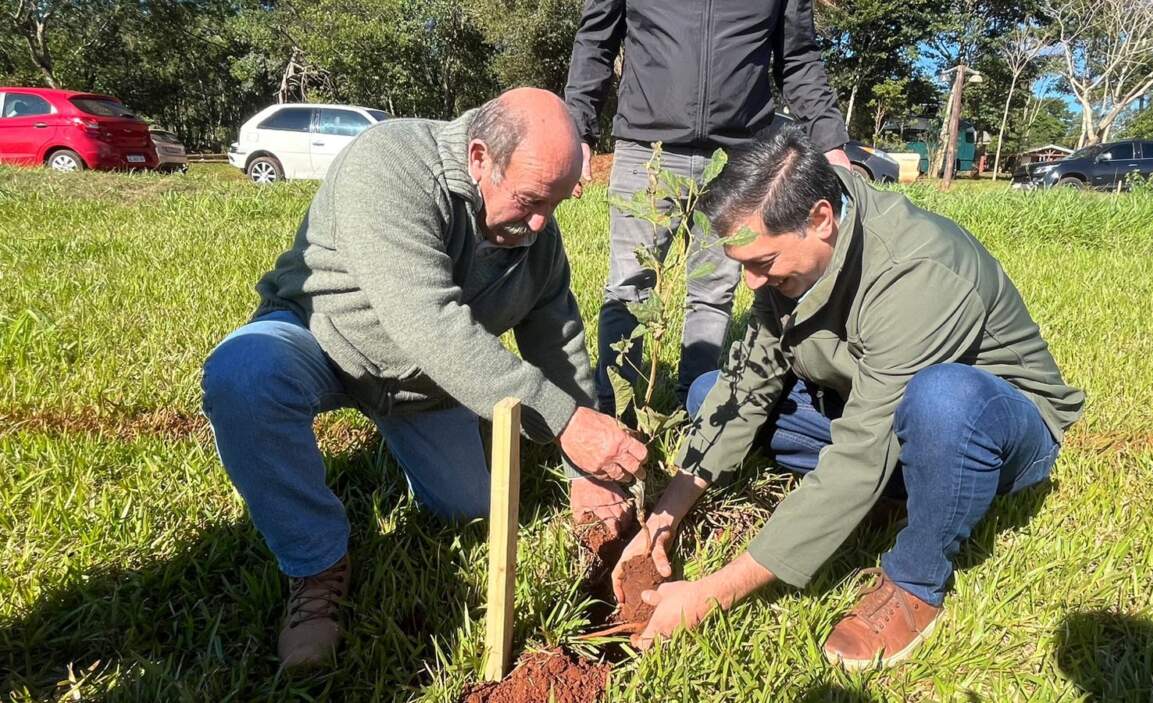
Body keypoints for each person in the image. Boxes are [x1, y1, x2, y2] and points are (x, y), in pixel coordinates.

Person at [200, 88, 647, 669]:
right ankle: (316, 567)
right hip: (323, 338)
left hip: (426, 389)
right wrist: (564, 423)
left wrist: (584, 468)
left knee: (470, 509)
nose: (541, 222)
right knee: (243, 376)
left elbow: (558, 343)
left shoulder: (536, 234)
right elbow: (429, 322)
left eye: (556, 205)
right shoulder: (389, 163)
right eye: (531, 200)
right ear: (481, 158)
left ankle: (432, 432)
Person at [612, 125, 1085, 669]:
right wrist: (662, 521)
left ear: (820, 219)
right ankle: (893, 494)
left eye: (762, 263)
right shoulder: (792, 260)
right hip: (876, 404)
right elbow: (745, 389)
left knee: (942, 400)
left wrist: (711, 594)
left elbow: (863, 448)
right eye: (743, 265)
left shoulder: (915, 271)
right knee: (707, 394)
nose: (751, 284)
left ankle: (915, 583)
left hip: (992, 432)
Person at [563, 0, 853, 413]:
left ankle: (695, 412)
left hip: (740, 153)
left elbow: (799, 57)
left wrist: (830, 142)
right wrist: (578, 128)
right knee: (629, 286)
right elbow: (596, 39)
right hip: (648, 147)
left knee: (714, 291)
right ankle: (613, 412)